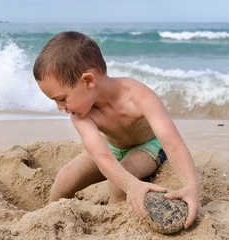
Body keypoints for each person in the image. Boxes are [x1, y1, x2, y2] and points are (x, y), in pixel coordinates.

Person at [33, 31, 200, 229]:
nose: (60, 107)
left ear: (88, 81)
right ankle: (49, 219)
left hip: (149, 146)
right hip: (114, 147)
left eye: (61, 99)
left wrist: (192, 187)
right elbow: (101, 155)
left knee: (121, 179)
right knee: (65, 178)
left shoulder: (137, 95)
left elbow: (171, 141)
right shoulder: (81, 115)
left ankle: (114, 227)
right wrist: (131, 184)